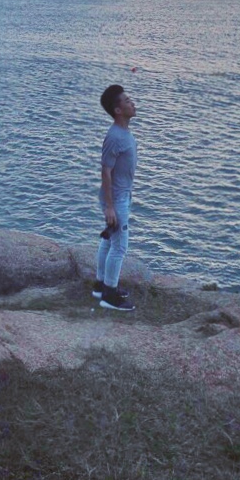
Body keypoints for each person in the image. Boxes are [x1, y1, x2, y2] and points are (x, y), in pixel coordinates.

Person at [94, 83, 138, 311]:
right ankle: (109, 296)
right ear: (118, 110)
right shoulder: (114, 136)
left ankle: (101, 285)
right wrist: (110, 207)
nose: (132, 103)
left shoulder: (124, 132)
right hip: (116, 199)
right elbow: (105, 170)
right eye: (127, 101)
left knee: (108, 240)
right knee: (119, 247)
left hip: (120, 196)